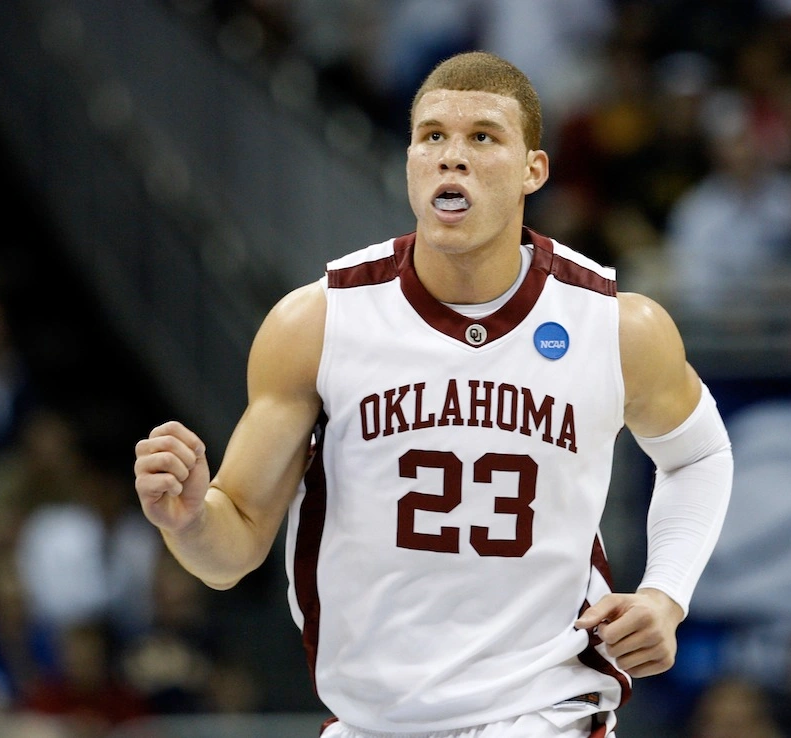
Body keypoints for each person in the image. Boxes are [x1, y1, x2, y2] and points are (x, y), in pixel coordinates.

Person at [134, 51, 734, 738]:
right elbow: (232, 549)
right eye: (432, 137)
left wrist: (667, 595)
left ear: (533, 170)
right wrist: (186, 522)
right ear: (411, 162)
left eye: (483, 136)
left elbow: (700, 456)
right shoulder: (318, 323)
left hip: (542, 710)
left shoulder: (614, 325)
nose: (453, 157)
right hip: (372, 720)